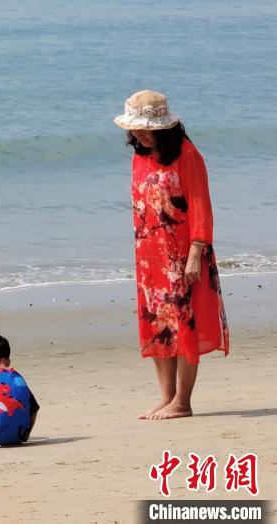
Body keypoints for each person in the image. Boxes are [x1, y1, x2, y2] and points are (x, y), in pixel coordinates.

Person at [114, 90, 229, 420]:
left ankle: (183, 401)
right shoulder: (139, 156)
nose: (139, 134)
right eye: (135, 129)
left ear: (164, 128)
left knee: (184, 324)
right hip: (150, 257)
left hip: (183, 255)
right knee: (157, 326)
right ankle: (166, 397)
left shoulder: (188, 155)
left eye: (146, 128)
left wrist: (196, 252)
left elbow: (201, 207)